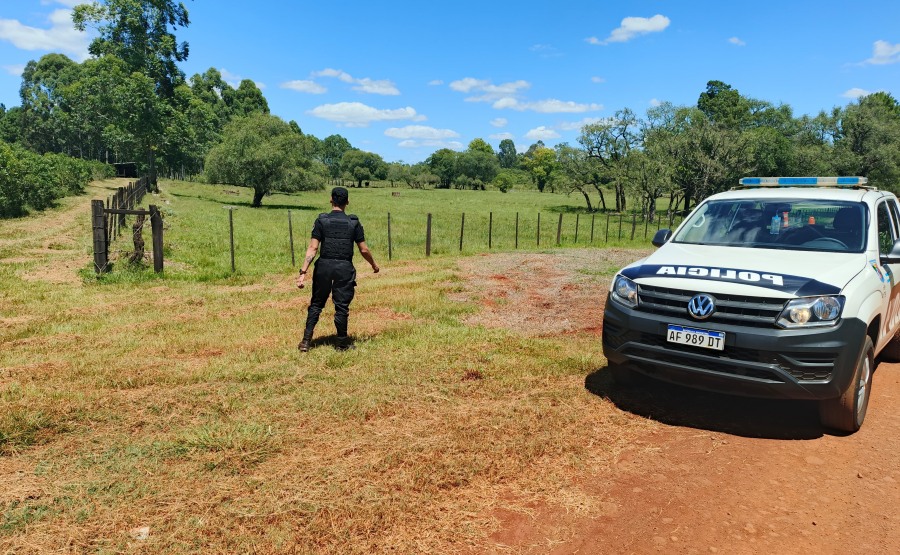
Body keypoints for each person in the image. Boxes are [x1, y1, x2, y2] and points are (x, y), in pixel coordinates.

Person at [297, 186, 379, 351]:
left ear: (331, 200)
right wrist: (373, 265)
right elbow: (364, 249)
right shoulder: (353, 223)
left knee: (316, 304)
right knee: (341, 306)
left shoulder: (322, 221)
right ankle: (341, 344)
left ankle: (306, 341)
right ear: (347, 202)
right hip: (344, 268)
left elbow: (313, 248)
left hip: (324, 267)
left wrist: (303, 272)